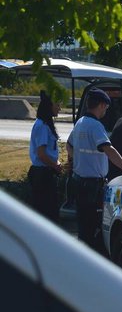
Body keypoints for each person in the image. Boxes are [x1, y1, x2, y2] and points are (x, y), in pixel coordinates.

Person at [66, 89, 122, 252]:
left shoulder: (80, 122)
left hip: (79, 180)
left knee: (84, 224)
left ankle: (82, 256)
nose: (105, 111)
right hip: (93, 185)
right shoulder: (95, 125)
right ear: (101, 105)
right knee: (96, 224)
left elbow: (69, 145)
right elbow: (108, 150)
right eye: (105, 108)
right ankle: (93, 261)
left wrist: (78, 161)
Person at [27, 91, 63, 222]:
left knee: (50, 210)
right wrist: (55, 165)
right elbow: (41, 154)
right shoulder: (42, 126)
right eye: (57, 105)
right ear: (49, 106)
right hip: (42, 175)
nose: (59, 108)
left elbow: (49, 151)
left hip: (46, 172)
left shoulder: (46, 124)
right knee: (46, 213)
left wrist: (56, 162)